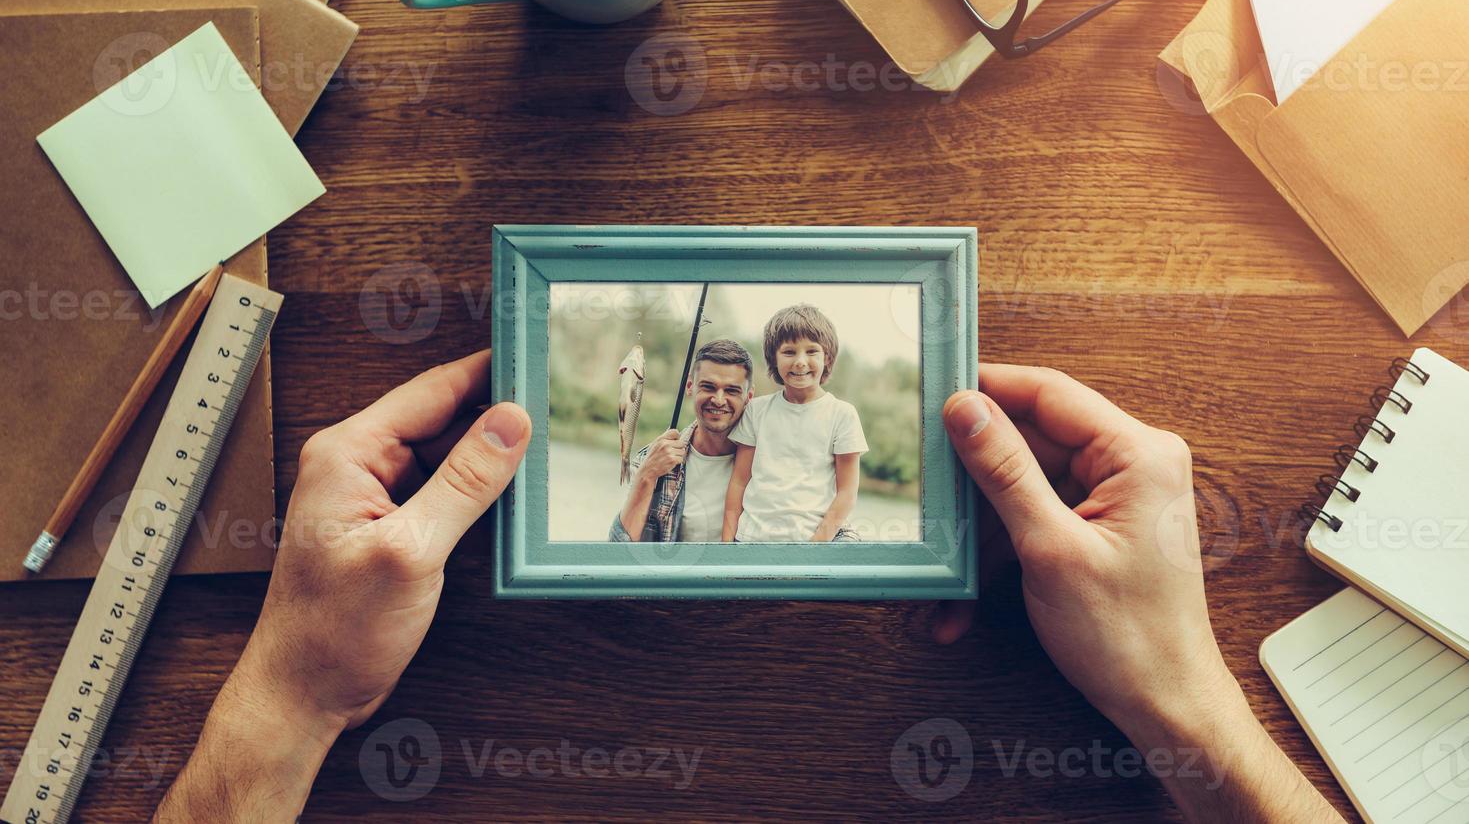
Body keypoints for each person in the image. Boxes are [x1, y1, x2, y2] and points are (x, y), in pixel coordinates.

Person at [153, 354, 1341, 822]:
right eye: (710, 393)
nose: (720, 403)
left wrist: (289, 696)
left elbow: (778, 521)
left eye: (731, 393)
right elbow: (623, 537)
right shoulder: (671, 446)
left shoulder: (785, 444)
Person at [721, 304, 867, 543]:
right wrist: (726, 546)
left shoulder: (843, 414)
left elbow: (847, 494)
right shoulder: (757, 410)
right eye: (789, 352)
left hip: (810, 543)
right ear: (773, 358)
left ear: (827, 357)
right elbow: (738, 483)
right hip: (750, 540)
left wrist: (815, 547)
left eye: (812, 351)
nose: (800, 361)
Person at [609, 338, 754, 542]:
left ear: (749, 396)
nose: (719, 400)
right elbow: (618, 554)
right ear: (689, 387)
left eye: (731, 390)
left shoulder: (763, 464)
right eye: (708, 387)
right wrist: (646, 475)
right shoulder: (653, 459)